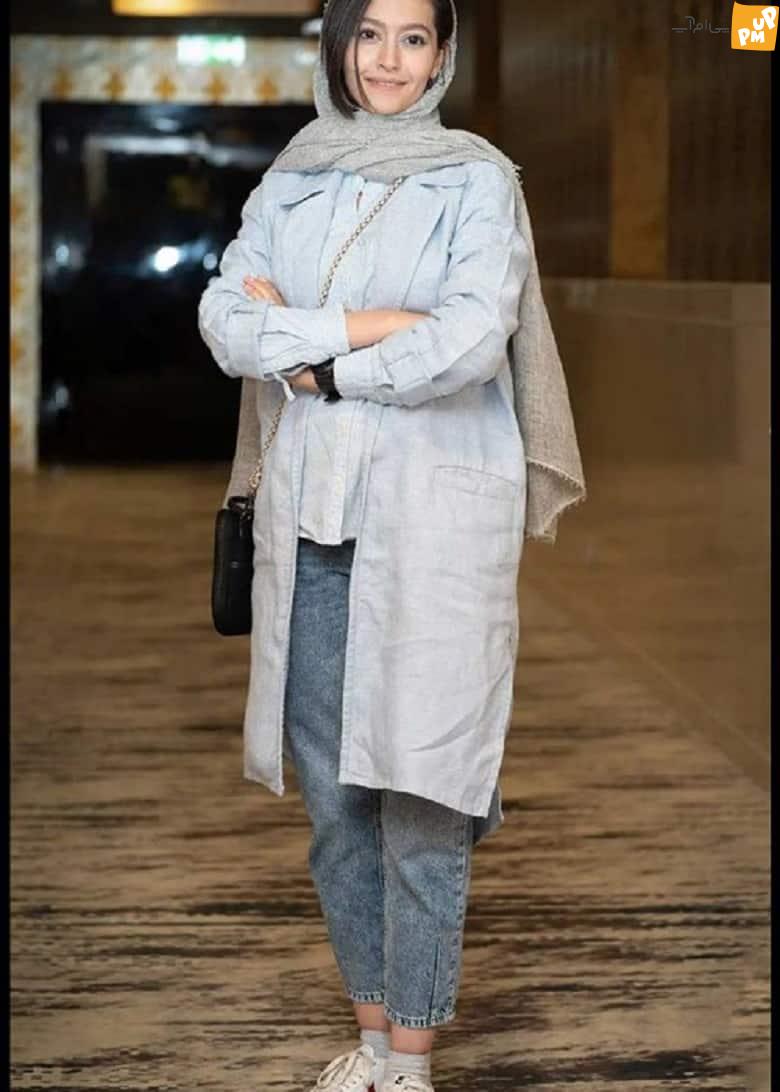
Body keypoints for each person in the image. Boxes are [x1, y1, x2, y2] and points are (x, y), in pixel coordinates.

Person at [198, 0, 585, 1088]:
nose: (388, 59)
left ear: (443, 55)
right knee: (335, 806)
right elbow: (227, 321)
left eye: (413, 38)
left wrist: (314, 360)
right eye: (369, 34)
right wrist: (371, 328)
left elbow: (468, 342)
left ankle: (410, 1056)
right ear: (338, 46)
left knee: (422, 792)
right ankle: (368, 1042)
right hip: (312, 519)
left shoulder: (477, 181)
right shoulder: (291, 178)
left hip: (430, 519)